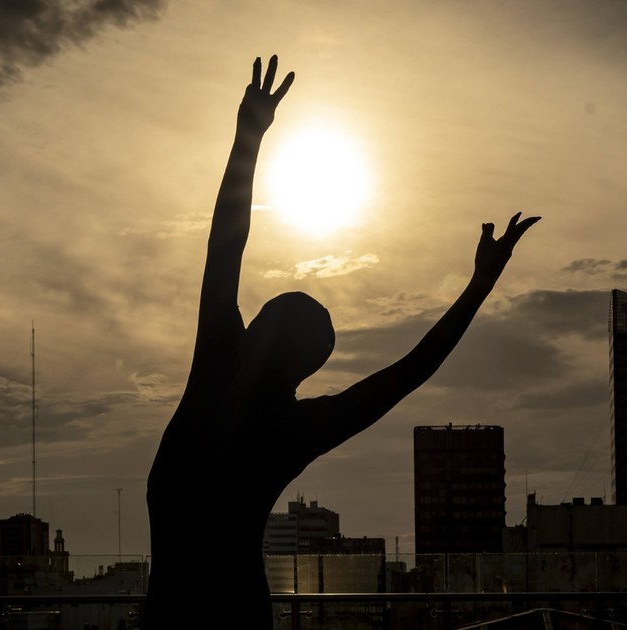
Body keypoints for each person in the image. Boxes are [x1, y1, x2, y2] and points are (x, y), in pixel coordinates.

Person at [145, 55, 539, 628]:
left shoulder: (219, 369)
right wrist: (478, 286)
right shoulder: (292, 426)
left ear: (261, 333)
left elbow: (226, 241)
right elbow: (411, 370)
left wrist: (249, 137)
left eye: (265, 314)